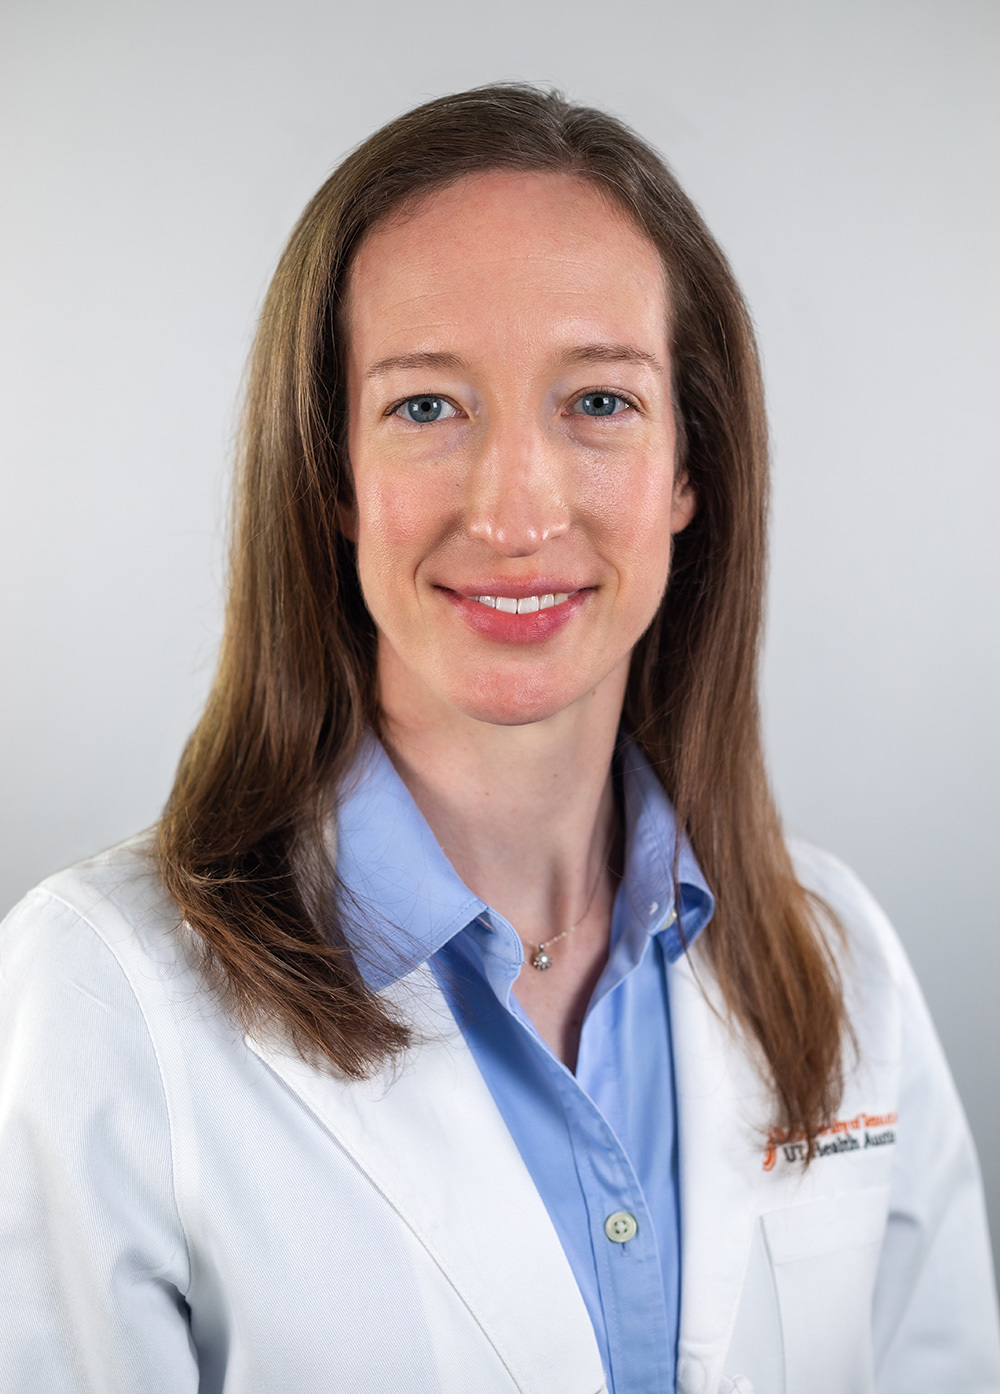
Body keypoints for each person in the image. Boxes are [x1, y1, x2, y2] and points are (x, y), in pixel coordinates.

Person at [1, 84, 997, 1394]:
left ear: (690, 470)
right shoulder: (99, 996)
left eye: (599, 402)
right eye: (428, 407)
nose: (517, 514)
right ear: (331, 476)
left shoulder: (838, 957)